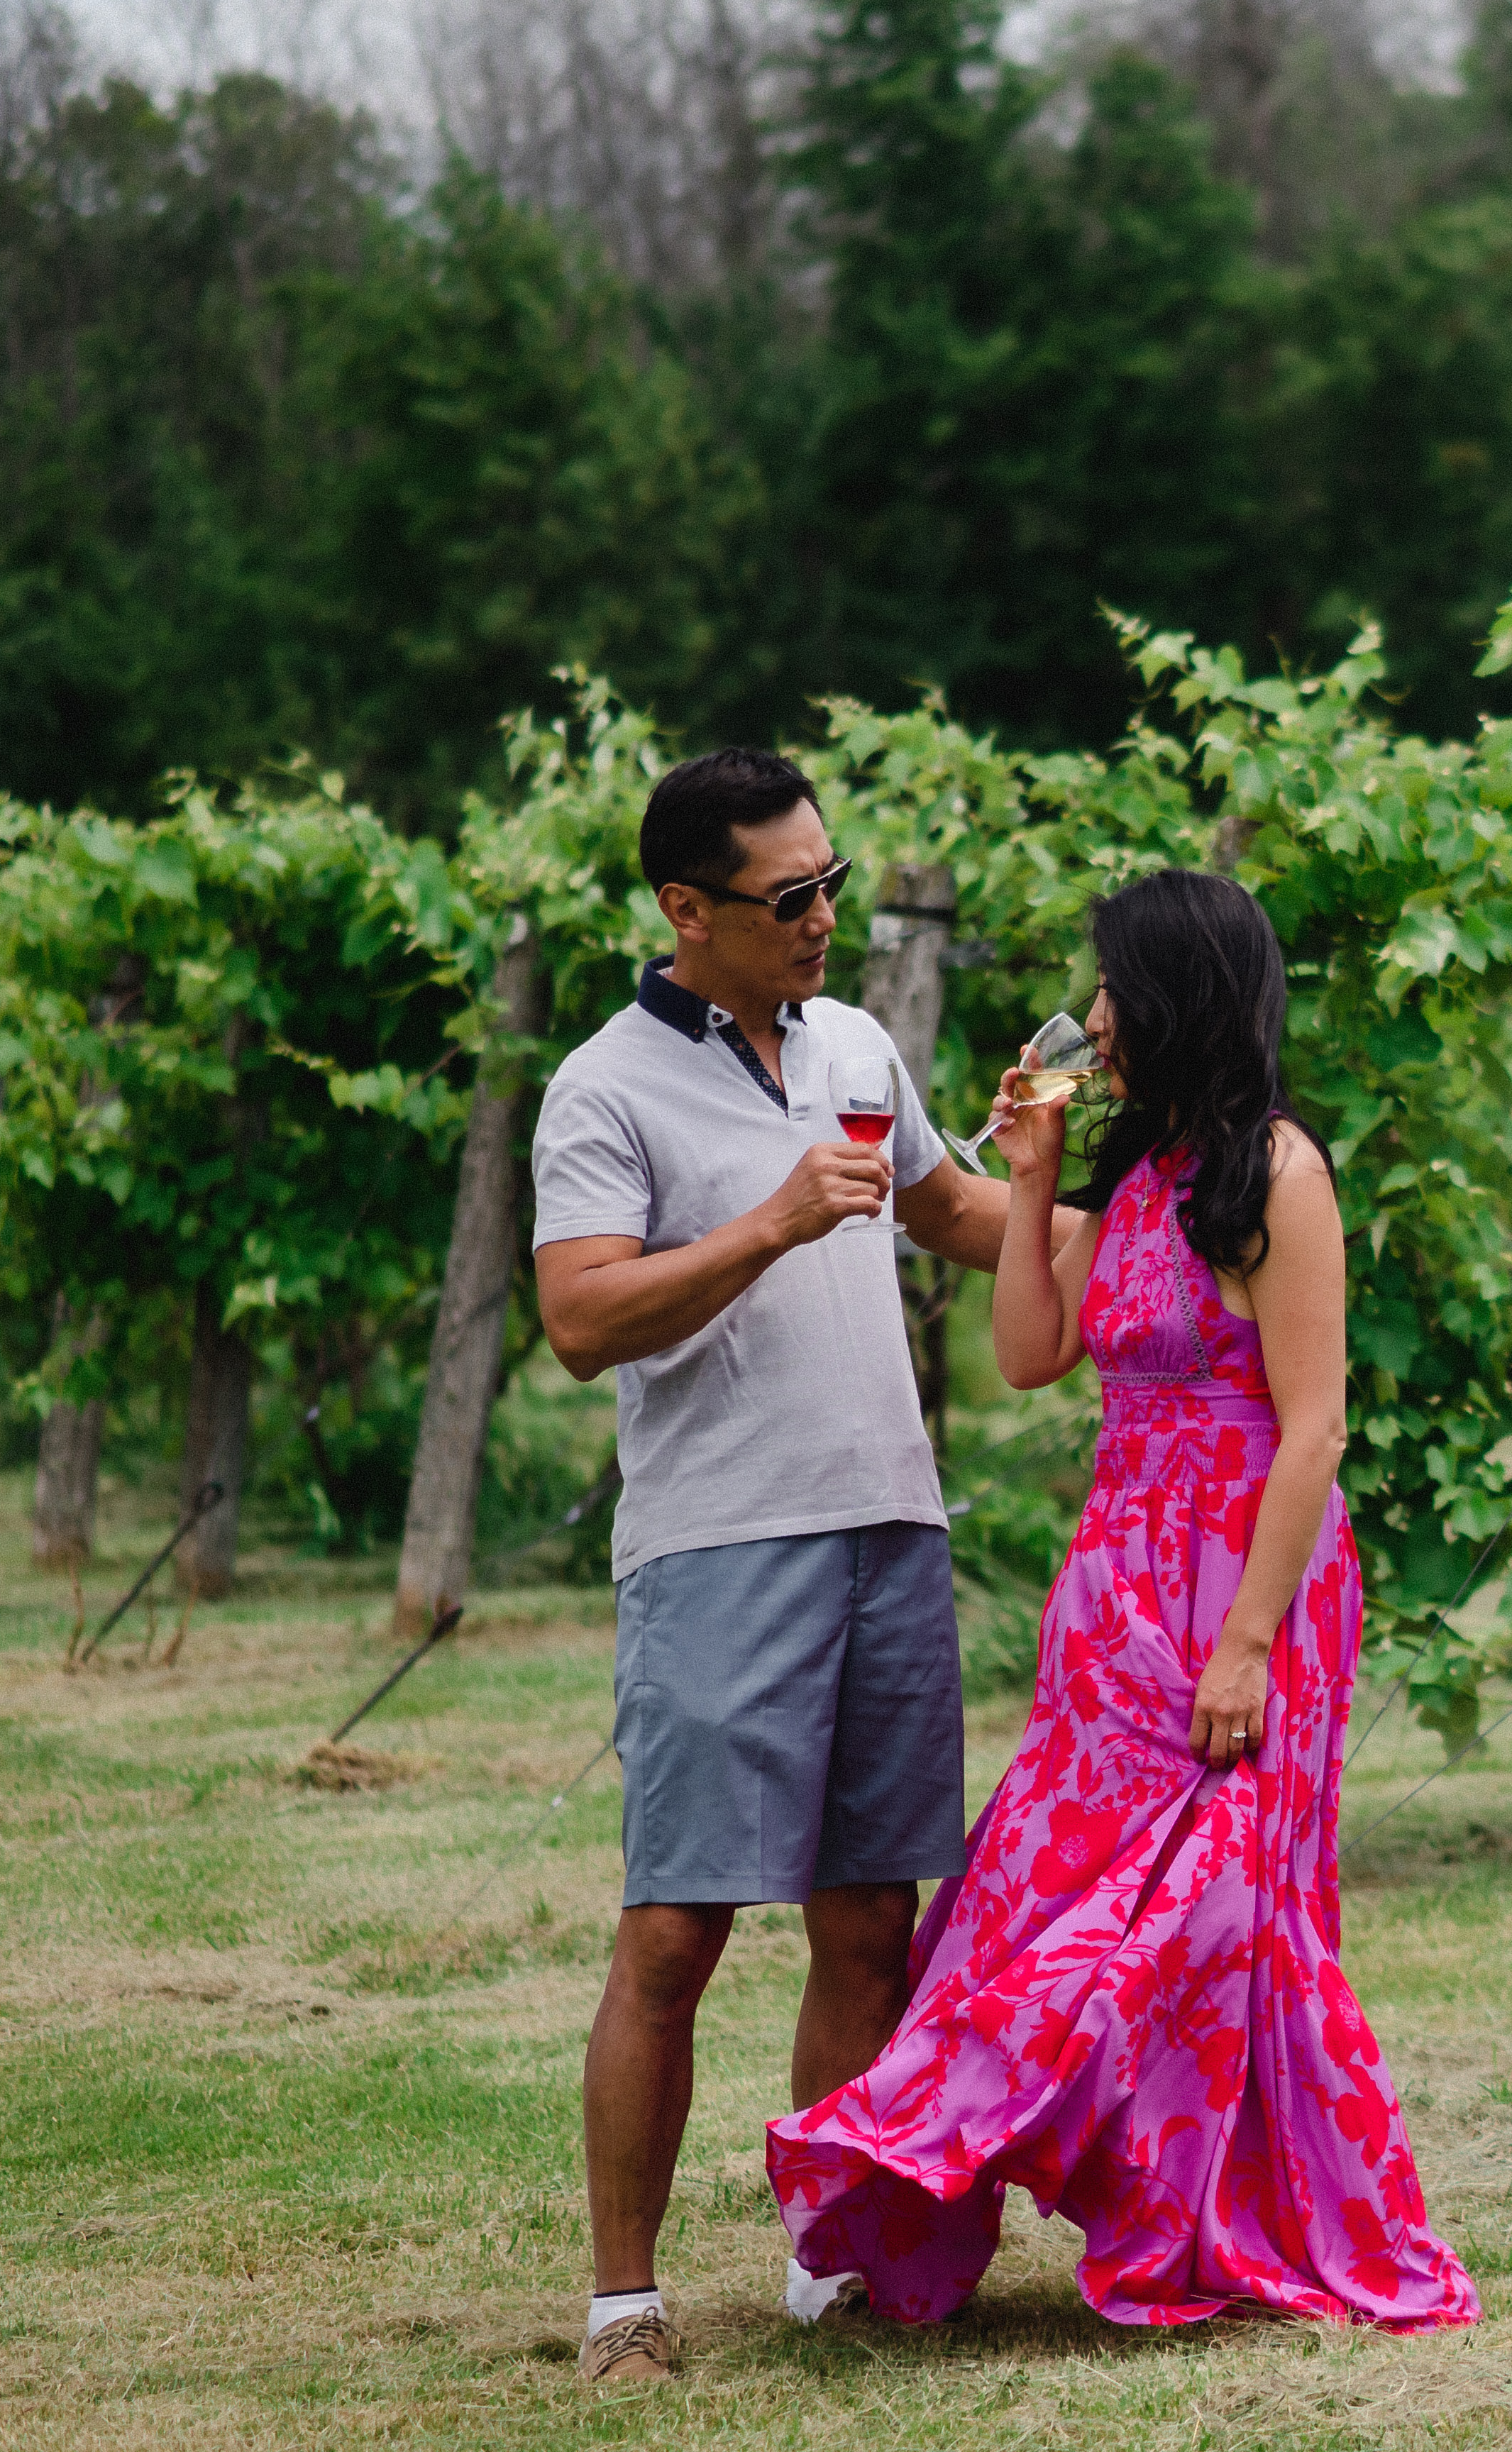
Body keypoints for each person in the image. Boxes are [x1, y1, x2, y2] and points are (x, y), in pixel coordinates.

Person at [763, 867, 1476, 2335]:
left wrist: (1249, 1646)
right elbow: (1029, 1353)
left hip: (1245, 1581)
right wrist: (1030, 1179)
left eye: (1109, 988)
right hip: (1117, 1584)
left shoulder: (1279, 1174)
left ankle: (1239, 2217)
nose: (1091, 1015)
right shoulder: (1140, 1184)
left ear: (1170, 999)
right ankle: (1084, 2183)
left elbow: (1317, 1428)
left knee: (1224, 1906)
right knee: (1048, 1896)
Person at [531, 747, 1059, 2384]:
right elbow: (577, 1320)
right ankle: (625, 2303)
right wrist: (766, 1224)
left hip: (889, 1526)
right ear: (687, 911)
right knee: (676, 1937)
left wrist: (1190, 1249)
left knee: (867, 1924)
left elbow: (957, 1215)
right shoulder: (602, 1087)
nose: (828, 916)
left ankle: (833, 2260)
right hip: (716, 1548)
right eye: (792, 896)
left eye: (833, 879)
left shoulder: (853, 1042)